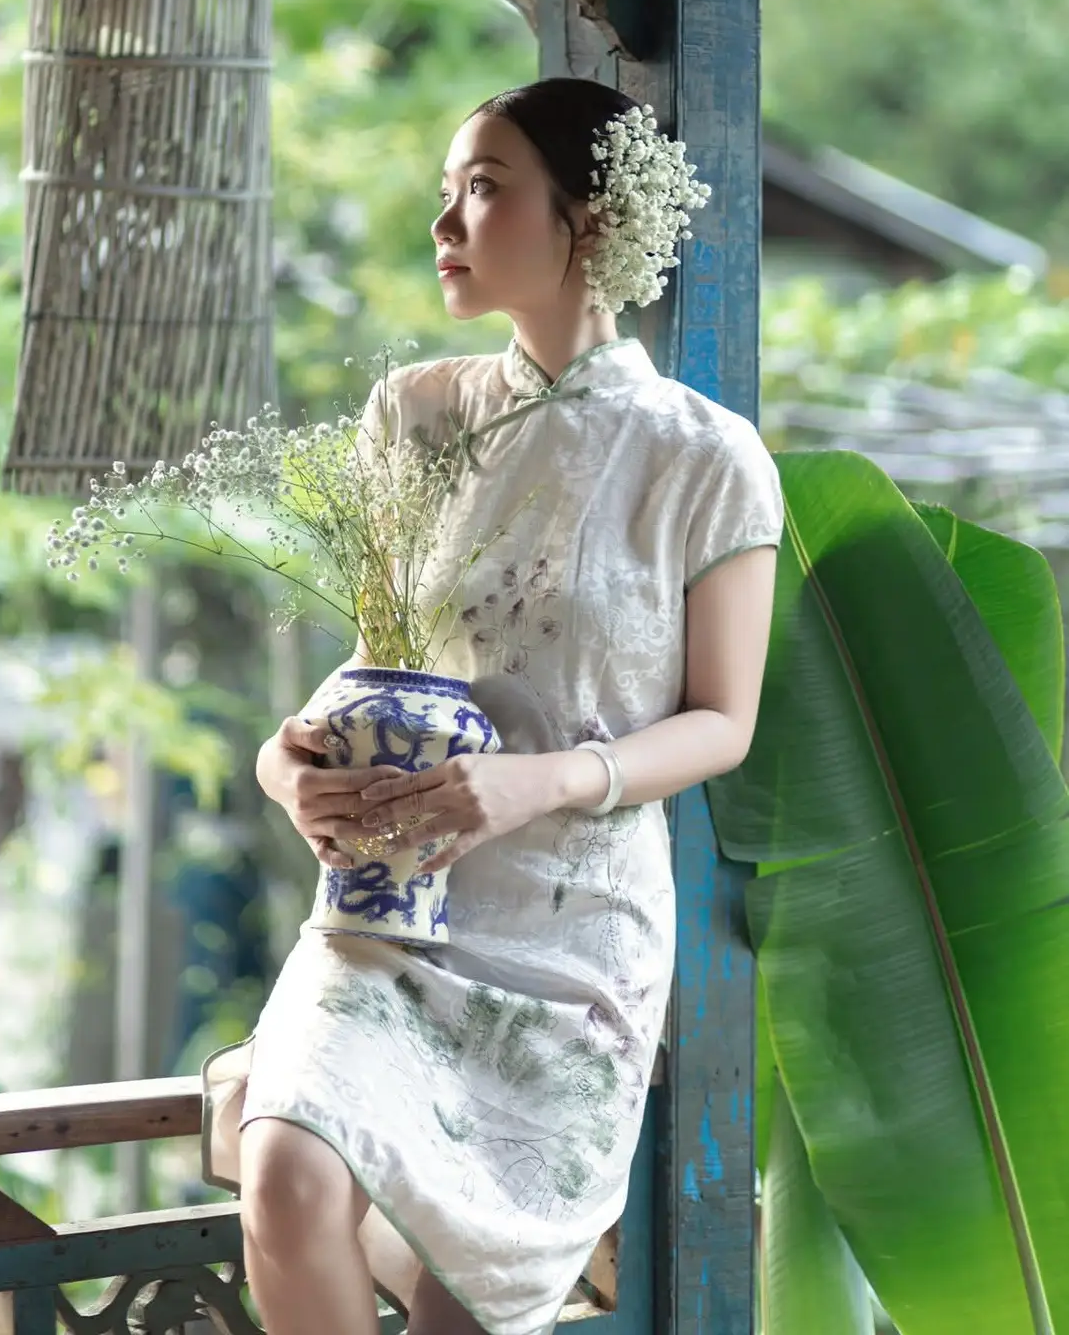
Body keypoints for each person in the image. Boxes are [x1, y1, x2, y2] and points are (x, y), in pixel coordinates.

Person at [202, 76, 782, 1335]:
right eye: (447, 190)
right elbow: (382, 659)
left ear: (594, 217)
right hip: (391, 907)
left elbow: (722, 722)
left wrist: (545, 779)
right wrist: (283, 765)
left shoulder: (705, 455)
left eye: (484, 187)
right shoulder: (415, 416)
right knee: (287, 1174)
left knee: (467, 1307)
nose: (445, 222)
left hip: (574, 940)